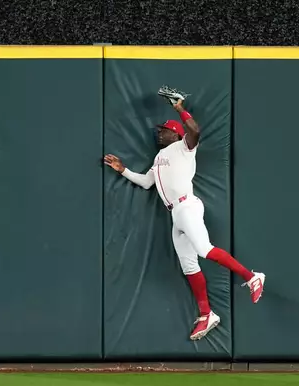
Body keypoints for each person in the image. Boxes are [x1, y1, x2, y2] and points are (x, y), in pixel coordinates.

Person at [103, 98, 265, 341]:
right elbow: (147, 183)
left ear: (176, 134)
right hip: (175, 215)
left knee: (204, 249)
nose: (160, 133)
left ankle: (252, 277)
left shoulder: (184, 147)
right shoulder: (158, 159)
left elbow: (195, 131)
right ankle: (206, 314)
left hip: (187, 205)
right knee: (189, 266)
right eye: (160, 130)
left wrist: (179, 109)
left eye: (165, 130)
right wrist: (123, 170)